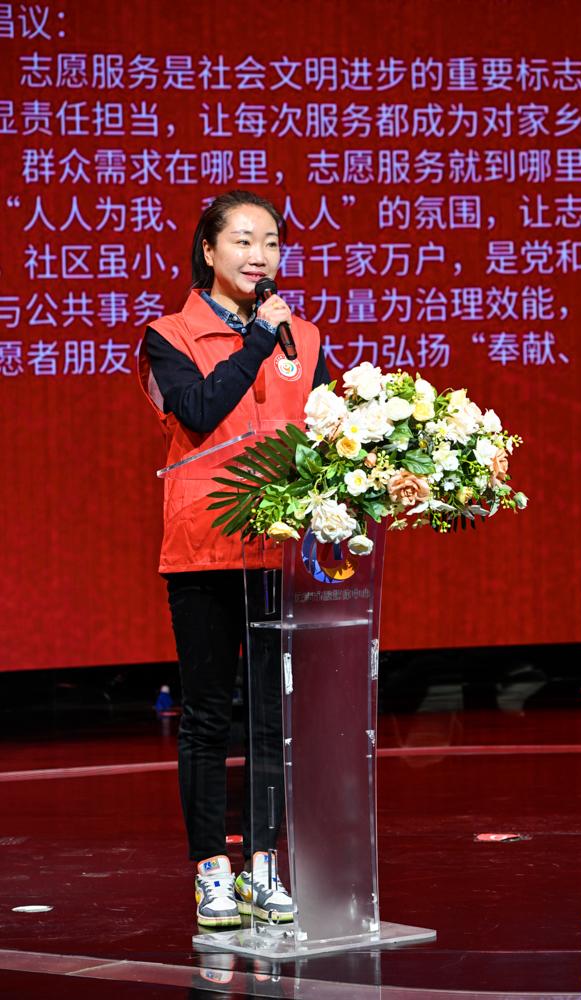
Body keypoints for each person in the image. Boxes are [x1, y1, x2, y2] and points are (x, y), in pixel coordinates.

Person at [138, 190, 330, 928]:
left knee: (270, 720)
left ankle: (263, 864)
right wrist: (255, 342)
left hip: (278, 554)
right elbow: (196, 410)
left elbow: (330, 430)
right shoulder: (168, 337)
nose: (260, 255)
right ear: (208, 250)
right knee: (208, 716)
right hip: (203, 550)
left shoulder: (303, 339)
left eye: (271, 242)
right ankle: (211, 872)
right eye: (244, 241)